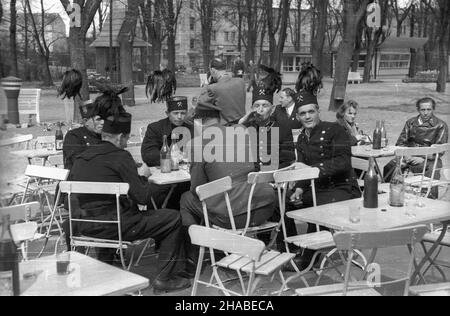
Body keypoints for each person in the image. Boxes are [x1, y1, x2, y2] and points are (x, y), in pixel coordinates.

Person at [69, 109, 191, 295]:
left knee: (108, 211)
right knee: (172, 217)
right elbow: (142, 197)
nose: (126, 143)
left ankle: (105, 271)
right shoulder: (120, 156)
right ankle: (164, 279)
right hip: (116, 227)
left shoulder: (81, 157)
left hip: (82, 225)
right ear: (119, 137)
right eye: (126, 139)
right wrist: (142, 176)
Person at [289, 91, 361, 269]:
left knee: (317, 206)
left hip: (342, 188)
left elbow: (343, 163)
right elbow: (303, 165)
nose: (307, 116)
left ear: (318, 111)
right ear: (298, 116)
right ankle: (291, 250)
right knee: (282, 203)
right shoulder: (302, 137)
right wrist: (298, 188)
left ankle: (307, 258)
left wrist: (313, 170)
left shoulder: (335, 130)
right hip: (318, 187)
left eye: (311, 112)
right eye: (303, 113)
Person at [180, 101, 277, 231]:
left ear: (199, 122)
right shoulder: (242, 131)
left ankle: (196, 245)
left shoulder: (196, 144)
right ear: (219, 119)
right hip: (265, 208)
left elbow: (198, 188)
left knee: (186, 198)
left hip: (233, 217)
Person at [383, 97, 448, 188]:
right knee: (389, 167)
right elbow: (400, 143)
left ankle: (429, 198)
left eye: (429, 109)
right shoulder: (411, 122)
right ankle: (389, 192)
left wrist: (423, 158)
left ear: (433, 109)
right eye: (423, 110)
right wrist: (407, 156)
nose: (425, 113)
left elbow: (439, 150)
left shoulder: (441, 125)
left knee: (432, 171)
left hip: (429, 159)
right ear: (418, 110)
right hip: (408, 157)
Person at [141, 96, 191, 209]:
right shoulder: (155, 128)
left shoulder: (192, 129)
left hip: (186, 179)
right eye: (175, 113)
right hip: (164, 180)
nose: (179, 117)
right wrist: (173, 157)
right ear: (167, 113)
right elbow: (148, 155)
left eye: (183, 113)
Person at [239, 76, 296, 170]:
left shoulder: (283, 131)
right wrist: (242, 121)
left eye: (265, 106)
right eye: (256, 106)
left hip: (271, 178)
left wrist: (266, 174)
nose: (260, 110)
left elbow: (287, 161)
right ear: (252, 109)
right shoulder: (244, 129)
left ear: (272, 109)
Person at [198, 58, 246, 125]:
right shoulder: (241, 82)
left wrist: (206, 85)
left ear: (213, 70)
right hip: (243, 124)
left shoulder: (212, 88)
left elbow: (200, 104)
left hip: (227, 128)